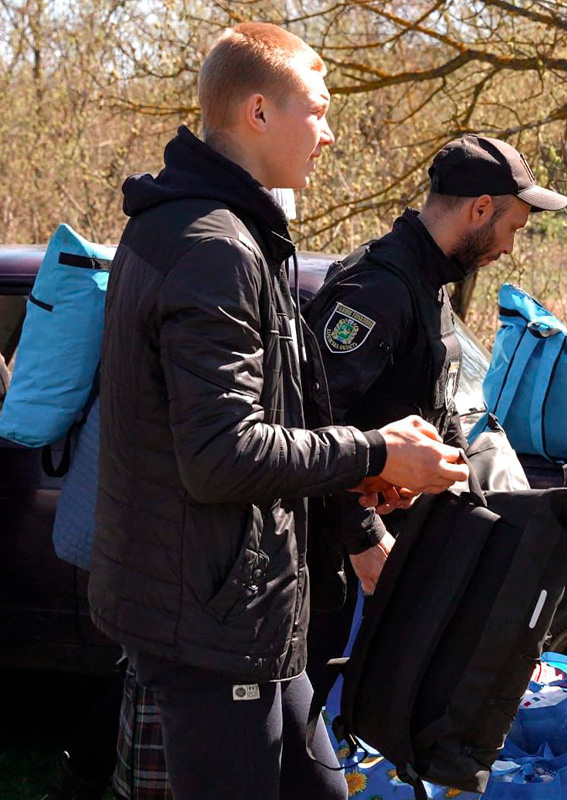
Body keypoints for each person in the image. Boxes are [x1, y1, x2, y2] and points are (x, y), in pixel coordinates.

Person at [86, 22, 469, 800]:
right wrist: (374, 452)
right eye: (318, 110)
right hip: (215, 622)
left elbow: (266, 413)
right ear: (258, 112)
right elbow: (221, 453)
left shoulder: (206, 228)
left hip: (248, 611)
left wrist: (358, 486)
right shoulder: (211, 245)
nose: (328, 133)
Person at [302, 134, 567, 705]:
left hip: (391, 531)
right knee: (301, 731)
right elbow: (315, 419)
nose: (511, 247)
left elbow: (437, 408)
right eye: (514, 227)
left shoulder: (430, 284)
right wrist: (362, 535)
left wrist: (469, 507)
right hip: (331, 559)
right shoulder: (377, 287)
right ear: (479, 210)